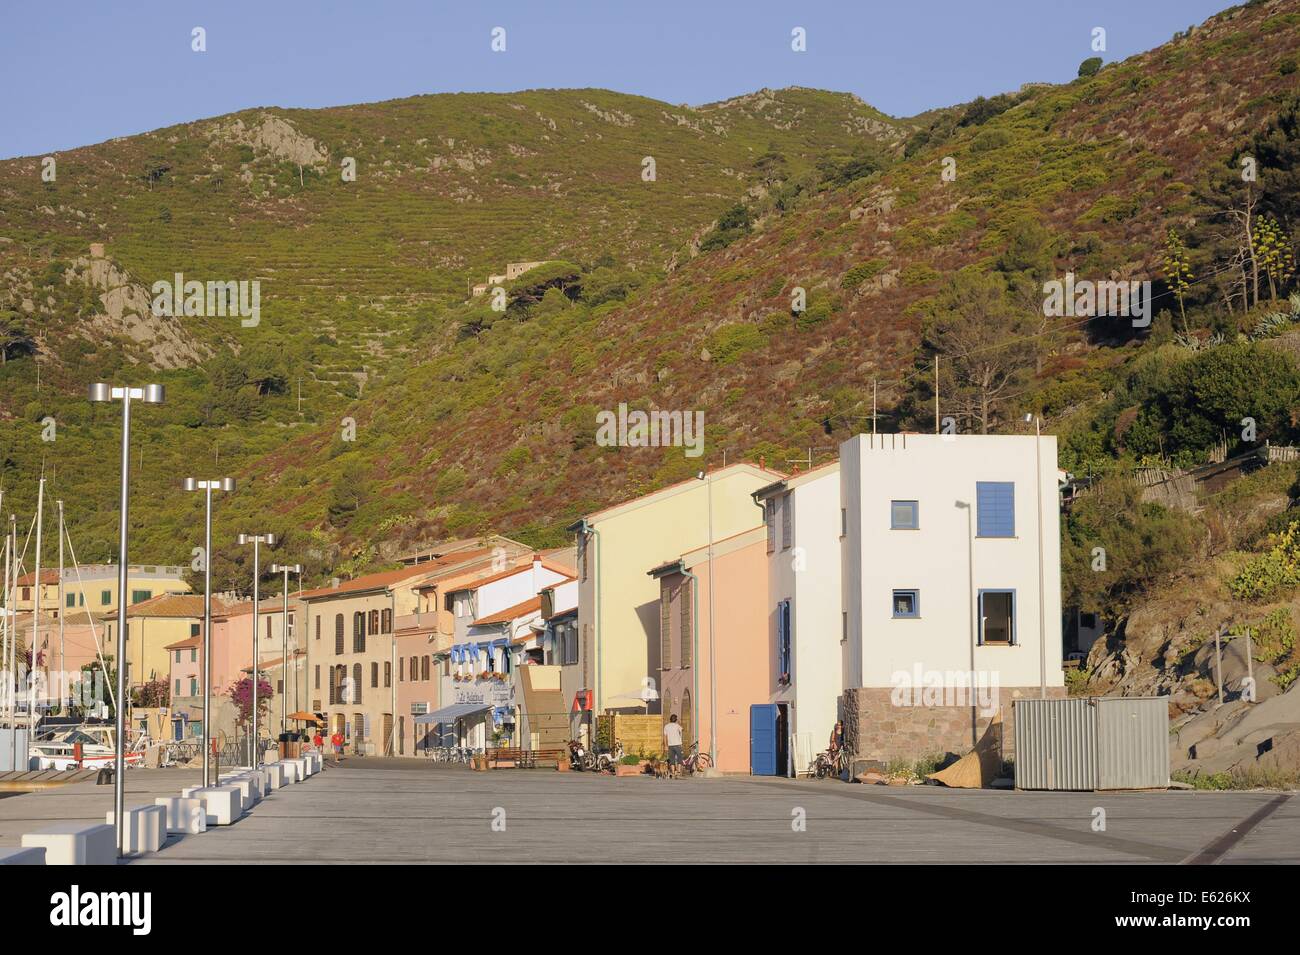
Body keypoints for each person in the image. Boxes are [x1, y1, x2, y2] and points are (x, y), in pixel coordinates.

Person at [663, 713, 684, 778]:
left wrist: (665, 746)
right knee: (679, 759)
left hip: (670, 745)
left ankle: (673, 772)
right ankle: (678, 772)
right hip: (678, 745)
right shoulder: (677, 726)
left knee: (671, 759)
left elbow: (665, 737)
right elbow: (682, 730)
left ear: (670, 719)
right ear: (676, 720)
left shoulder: (666, 726)